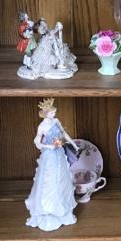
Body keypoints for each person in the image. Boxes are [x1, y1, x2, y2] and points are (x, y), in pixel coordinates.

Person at [25, 98, 78, 231]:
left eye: (54, 112)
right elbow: (37, 141)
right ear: (46, 113)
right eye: (52, 113)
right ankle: (48, 208)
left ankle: (62, 207)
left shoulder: (56, 121)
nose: (54, 114)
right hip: (49, 155)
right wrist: (48, 146)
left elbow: (64, 134)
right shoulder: (42, 127)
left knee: (62, 177)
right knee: (49, 179)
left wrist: (73, 144)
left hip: (59, 153)